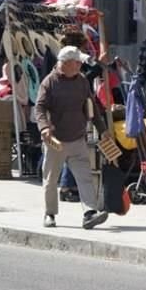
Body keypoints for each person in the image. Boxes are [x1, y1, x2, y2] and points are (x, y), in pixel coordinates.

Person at [35, 46, 111, 230]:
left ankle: (90, 213)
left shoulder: (82, 82)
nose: (80, 65)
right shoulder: (49, 83)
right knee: (51, 179)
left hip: (77, 138)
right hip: (56, 141)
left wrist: (102, 129)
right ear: (66, 63)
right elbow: (40, 108)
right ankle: (50, 213)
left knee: (84, 177)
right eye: (77, 62)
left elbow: (91, 107)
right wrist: (44, 127)